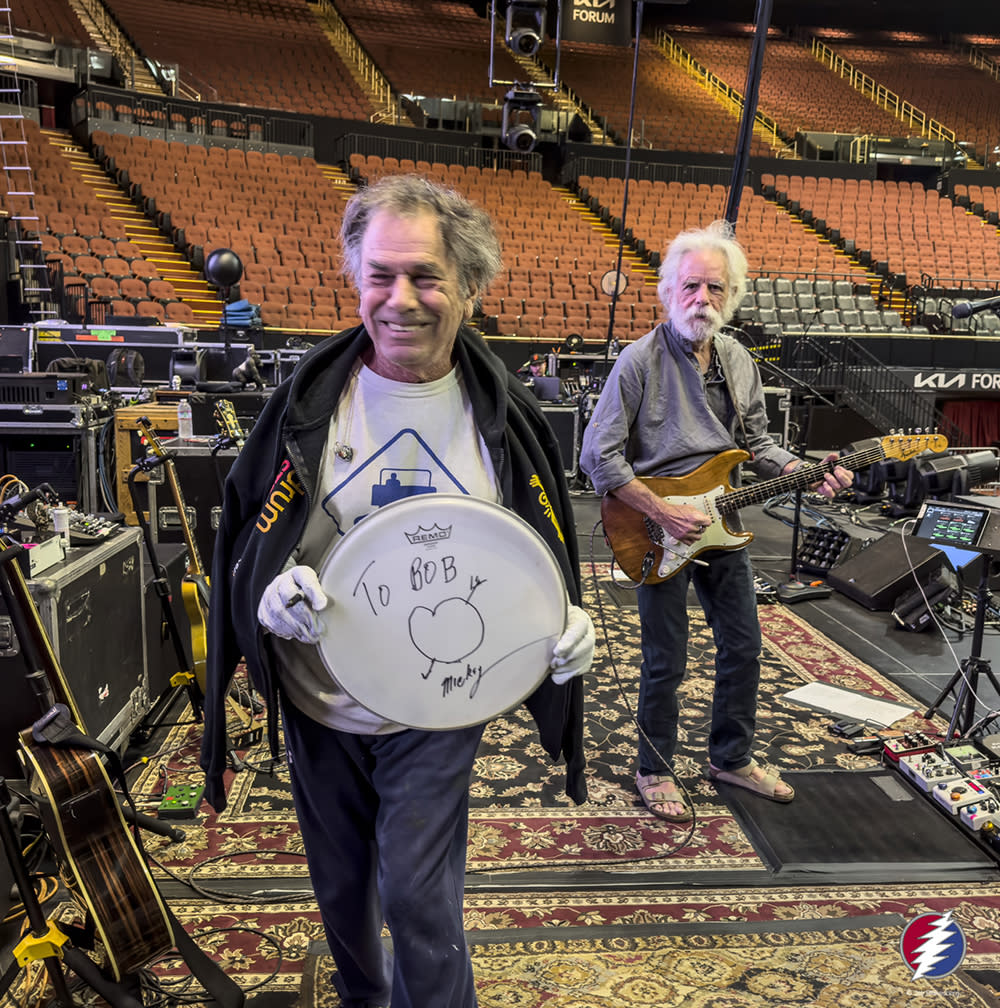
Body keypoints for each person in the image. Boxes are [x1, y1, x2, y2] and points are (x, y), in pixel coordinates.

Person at [199, 174, 595, 1008]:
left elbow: (540, 550)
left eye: (425, 276)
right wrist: (266, 598)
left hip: (439, 708)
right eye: (381, 275)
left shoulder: (505, 419)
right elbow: (249, 539)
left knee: (419, 897)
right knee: (343, 895)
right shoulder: (306, 405)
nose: (400, 299)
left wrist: (567, 621)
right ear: (355, 279)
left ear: (470, 287)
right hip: (319, 699)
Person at [578, 220, 851, 823]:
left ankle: (730, 757)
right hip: (654, 527)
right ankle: (654, 769)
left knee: (744, 647)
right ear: (669, 290)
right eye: (692, 287)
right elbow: (599, 456)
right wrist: (657, 509)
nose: (703, 300)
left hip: (721, 520)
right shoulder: (638, 361)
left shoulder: (736, 359)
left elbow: (757, 443)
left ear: (733, 296)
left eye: (716, 289)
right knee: (665, 657)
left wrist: (807, 469)